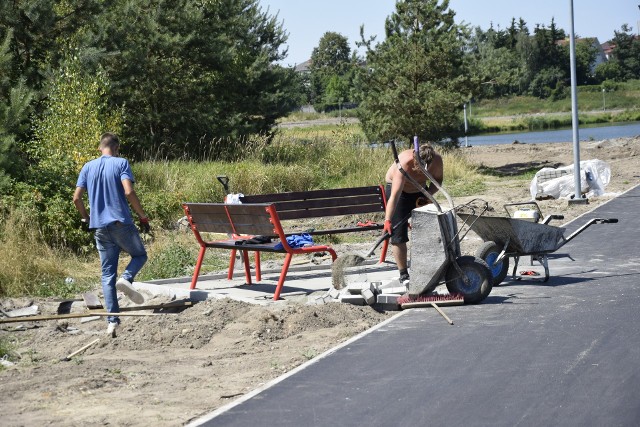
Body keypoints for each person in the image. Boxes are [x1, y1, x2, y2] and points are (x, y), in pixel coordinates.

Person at [73, 132, 150, 337]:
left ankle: (112, 322)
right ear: (116, 148)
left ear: (100, 147)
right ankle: (127, 278)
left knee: (107, 276)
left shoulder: (88, 167)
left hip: (99, 228)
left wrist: (86, 217)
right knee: (140, 255)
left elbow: (76, 198)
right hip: (120, 223)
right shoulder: (121, 163)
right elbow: (128, 192)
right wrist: (142, 216)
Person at [384, 142, 443, 286]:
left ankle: (430, 268)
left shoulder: (437, 161)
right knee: (398, 235)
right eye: (419, 168)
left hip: (420, 191)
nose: (422, 172)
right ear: (415, 160)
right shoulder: (404, 163)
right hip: (400, 193)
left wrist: (427, 196)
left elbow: (438, 181)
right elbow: (394, 196)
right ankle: (403, 274)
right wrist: (387, 220)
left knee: (430, 228)